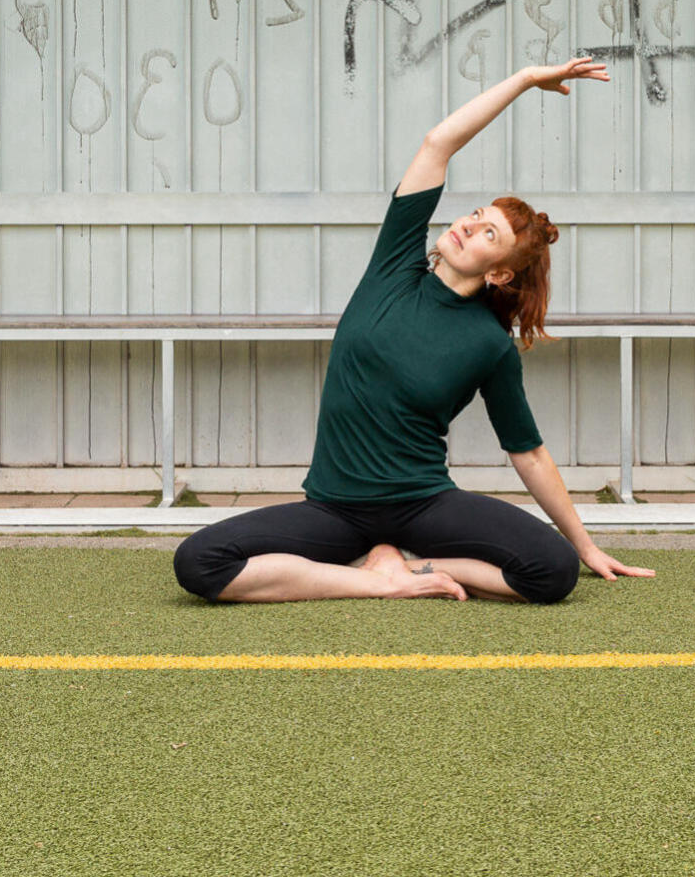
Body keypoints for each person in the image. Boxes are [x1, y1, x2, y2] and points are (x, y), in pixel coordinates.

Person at [174, 57, 655, 605]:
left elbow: (528, 452)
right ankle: (377, 579)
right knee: (199, 562)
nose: (468, 224)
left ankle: (409, 564)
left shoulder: (489, 345)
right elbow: (437, 144)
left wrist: (585, 547)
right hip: (333, 509)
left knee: (553, 571)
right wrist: (524, 80)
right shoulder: (394, 265)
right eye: (477, 214)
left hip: (424, 507)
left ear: (499, 274)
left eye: (489, 234)